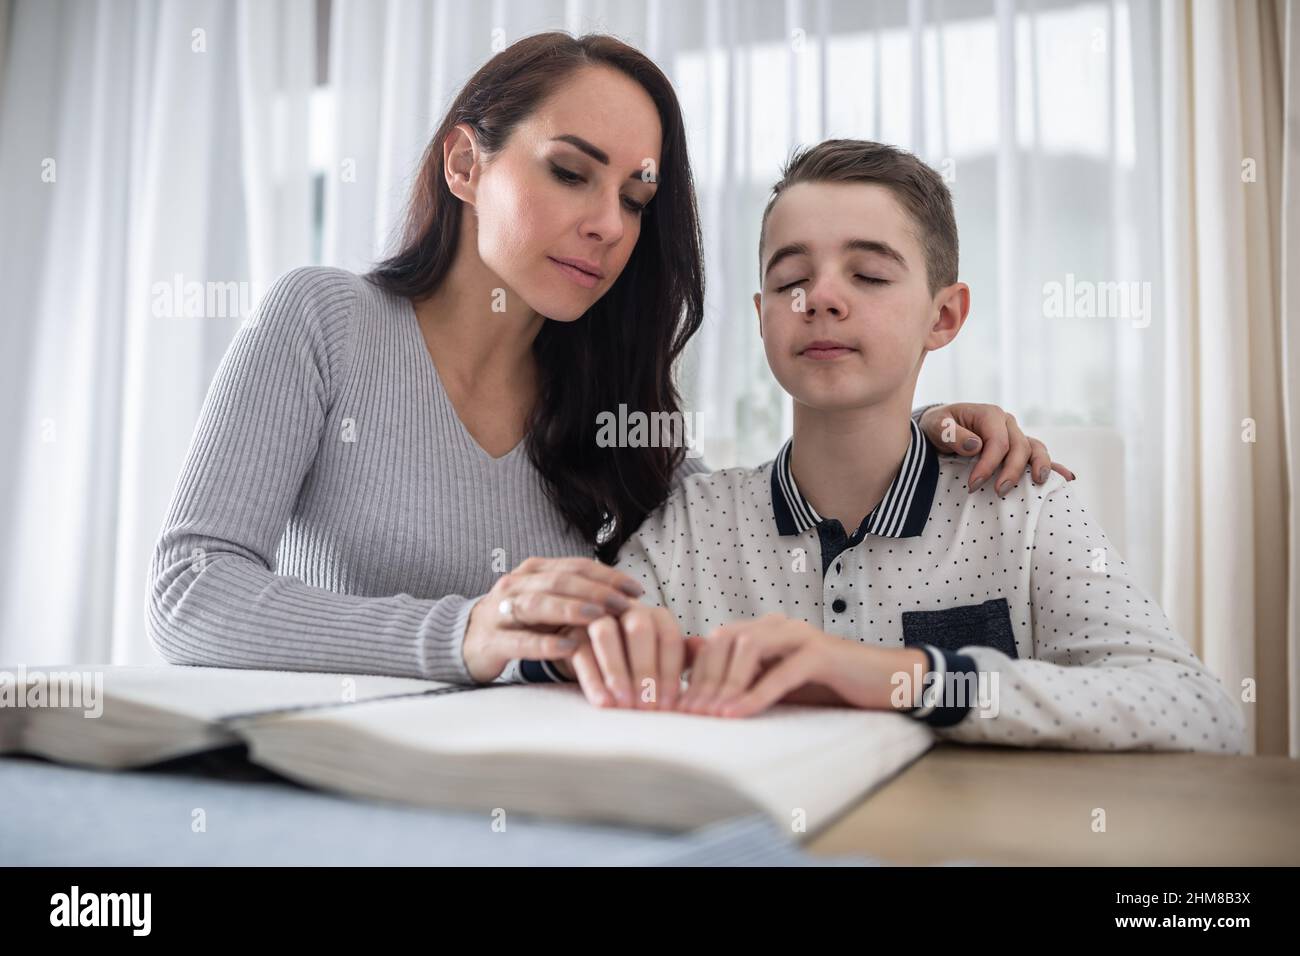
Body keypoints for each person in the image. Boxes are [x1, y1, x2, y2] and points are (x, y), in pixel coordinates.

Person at [147, 34, 1066, 687]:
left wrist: (913, 429)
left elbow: (743, 521)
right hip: (331, 781)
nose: (608, 225)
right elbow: (190, 592)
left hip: (537, 801)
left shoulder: (615, 404)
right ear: (465, 165)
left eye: (636, 197)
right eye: (570, 172)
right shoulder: (324, 320)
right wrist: (464, 632)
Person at [569, 139, 1244, 754]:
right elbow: (591, 688)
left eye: (868, 274)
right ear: (763, 314)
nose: (822, 297)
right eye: (790, 280)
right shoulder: (689, 524)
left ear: (943, 316)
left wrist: (909, 677)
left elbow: (1204, 714)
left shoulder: (1023, 505)